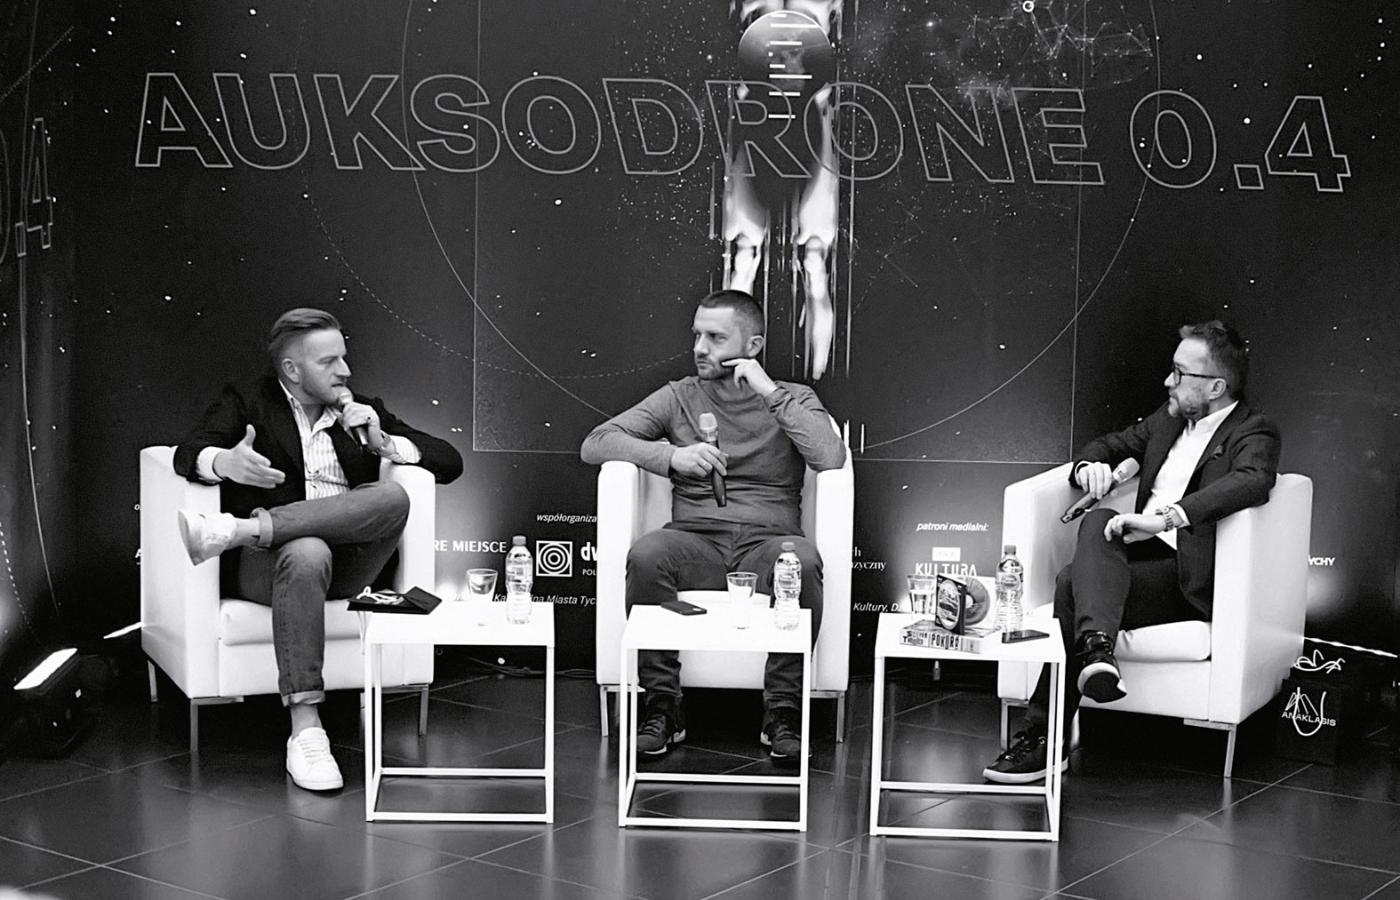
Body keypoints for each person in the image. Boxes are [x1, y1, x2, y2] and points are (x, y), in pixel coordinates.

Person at [172, 308, 462, 791]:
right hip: (271, 567)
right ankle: (307, 732)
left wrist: (384, 442)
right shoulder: (248, 402)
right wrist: (223, 462)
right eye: (328, 362)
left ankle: (243, 528)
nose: (344, 371)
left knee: (393, 497)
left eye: (343, 358)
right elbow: (187, 453)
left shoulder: (362, 410)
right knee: (307, 550)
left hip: (349, 565)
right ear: (292, 369)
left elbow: (449, 462)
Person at [983, 321, 1281, 783]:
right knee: (1098, 520)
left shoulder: (1253, 430)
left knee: (1070, 585)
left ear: (1216, 387)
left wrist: (1167, 517)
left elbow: (1253, 481)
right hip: (1131, 564)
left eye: (1180, 373)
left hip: (1184, 578)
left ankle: (1046, 735)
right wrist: (1090, 468)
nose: (1168, 381)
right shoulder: (1168, 420)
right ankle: (1096, 653)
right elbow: (1109, 445)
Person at [581, 289, 846, 761]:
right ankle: (663, 705)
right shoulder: (679, 395)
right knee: (647, 555)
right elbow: (596, 442)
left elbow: (829, 456)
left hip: (769, 543)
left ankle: (783, 710)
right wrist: (671, 457)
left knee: (802, 564)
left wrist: (769, 392)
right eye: (697, 336)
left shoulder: (793, 397)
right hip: (695, 541)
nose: (700, 348)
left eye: (715, 338)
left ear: (753, 345)